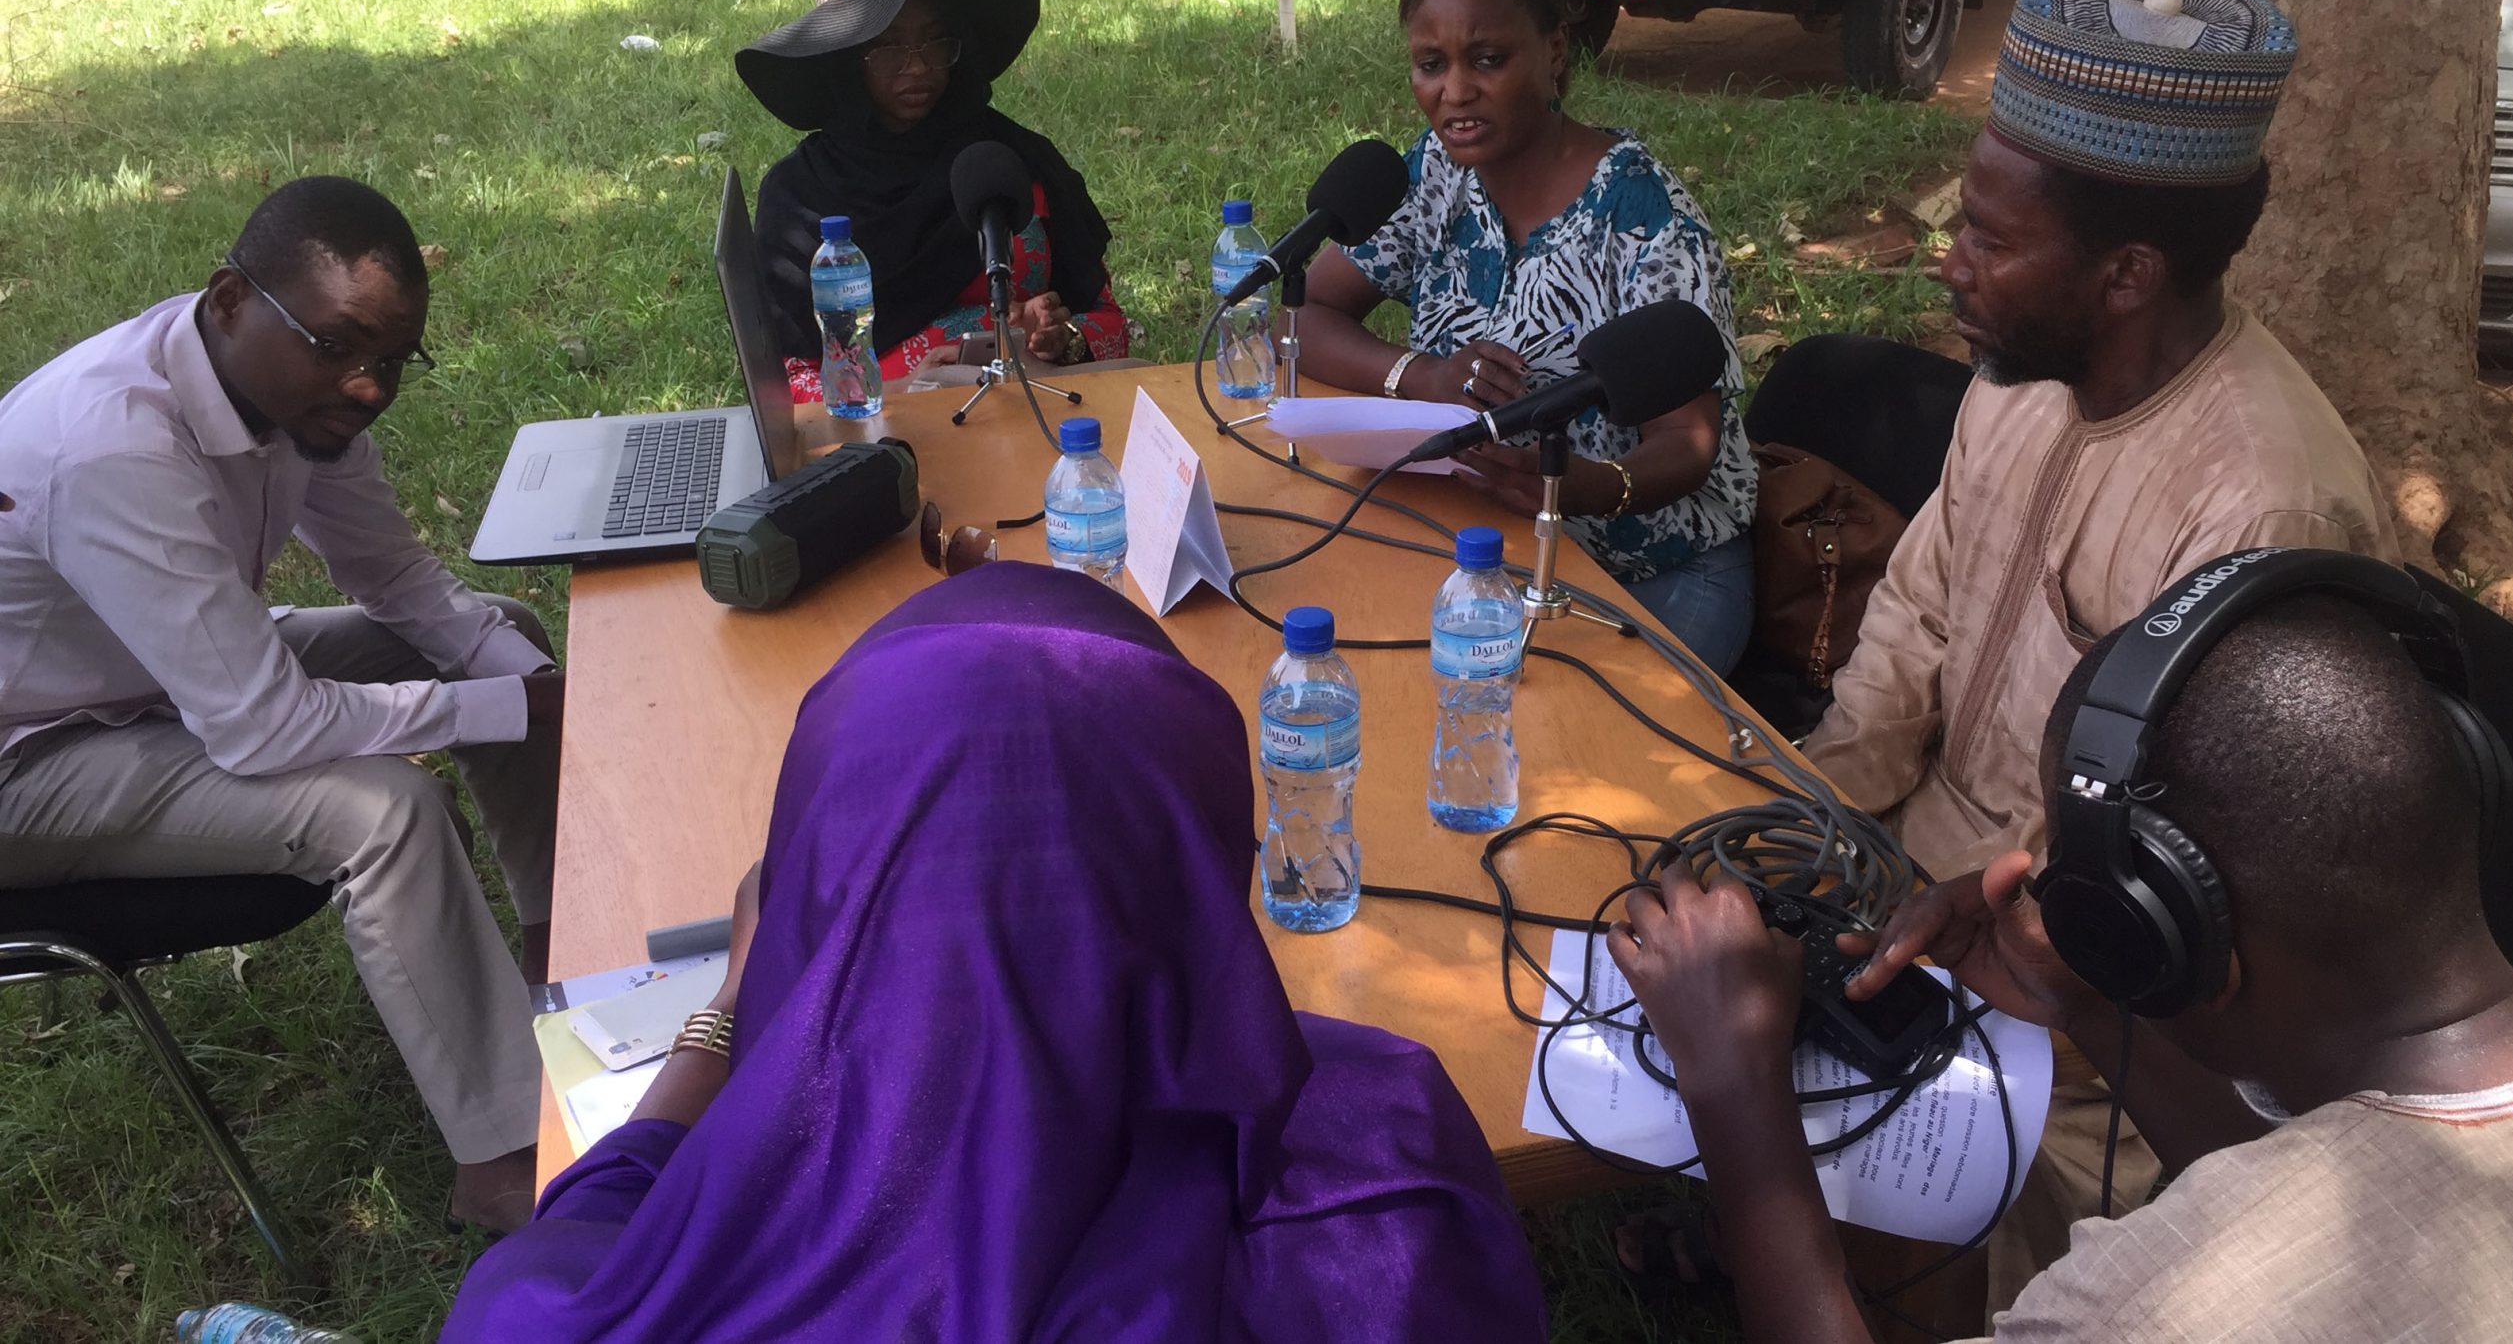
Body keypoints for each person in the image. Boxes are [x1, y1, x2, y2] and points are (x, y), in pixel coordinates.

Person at [441, 564, 1548, 1342]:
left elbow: (604, 1203)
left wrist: (735, 999)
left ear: (812, 889)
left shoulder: (549, 1318)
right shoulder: (1384, 1203)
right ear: (1200, 882)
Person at [1776, 0, 2400, 1300]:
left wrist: (1985, 928)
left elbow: (2182, 874)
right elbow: (1916, 616)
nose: (1952, 260)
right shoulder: (2016, 383)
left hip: (2100, 1003)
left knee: (1947, 1254)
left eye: (1991, 243)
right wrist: (1809, 811)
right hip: (1911, 868)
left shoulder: (2265, 502)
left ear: (2125, 274)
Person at [1611, 578, 2513, 1342]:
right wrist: (2090, 1003)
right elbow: (2332, 1196)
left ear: (2174, 943)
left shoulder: (2149, 1302)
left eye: (2082, 889)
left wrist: (1734, 1080)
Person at [0, 177, 560, 1233]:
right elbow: (261, 726)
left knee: (501, 637)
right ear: (229, 301)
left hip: (148, 682)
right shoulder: (115, 444)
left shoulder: (304, 409)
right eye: (337, 346)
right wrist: (505, 714)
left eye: (392, 362)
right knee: (378, 809)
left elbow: (397, 584)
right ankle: (507, 1156)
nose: (365, 389)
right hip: (26, 764)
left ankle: (560, 954)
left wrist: (522, 682)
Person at [1295, 0, 1759, 673]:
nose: (1455, 92)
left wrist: (1580, 488)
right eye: (1430, 64)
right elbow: (1308, 309)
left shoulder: (1642, 215)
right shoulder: (1436, 173)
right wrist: (1422, 376)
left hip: (1659, 571)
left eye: (1486, 59)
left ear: (1554, 51)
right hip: (1492, 550)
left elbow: (1690, 443)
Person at [737, 0, 1130, 399]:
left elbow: (1111, 323)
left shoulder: (1009, 160)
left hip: (1043, 416)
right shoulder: (800, 200)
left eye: (934, 40)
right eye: (889, 48)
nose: (918, 65)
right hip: (891, 443)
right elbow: (787, 386)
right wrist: (907, 387)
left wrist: (1061, 341)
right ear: (844, 60)